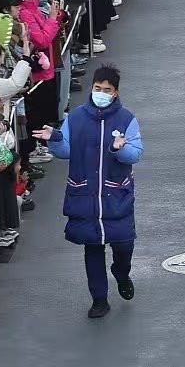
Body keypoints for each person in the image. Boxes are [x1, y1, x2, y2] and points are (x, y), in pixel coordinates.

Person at [37, 65, 144, 318]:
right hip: (85, 196)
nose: (101, 93)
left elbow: (136, 154)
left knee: (124, 245)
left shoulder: (127, 119)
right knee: (92, 249)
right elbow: (66, 151)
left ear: (115, 93)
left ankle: (121, 273)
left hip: (116, 196)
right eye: (98, 88)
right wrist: (55, 139)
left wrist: (120, 150)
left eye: (107, 90)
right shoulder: (75, 118)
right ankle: (99, 299)